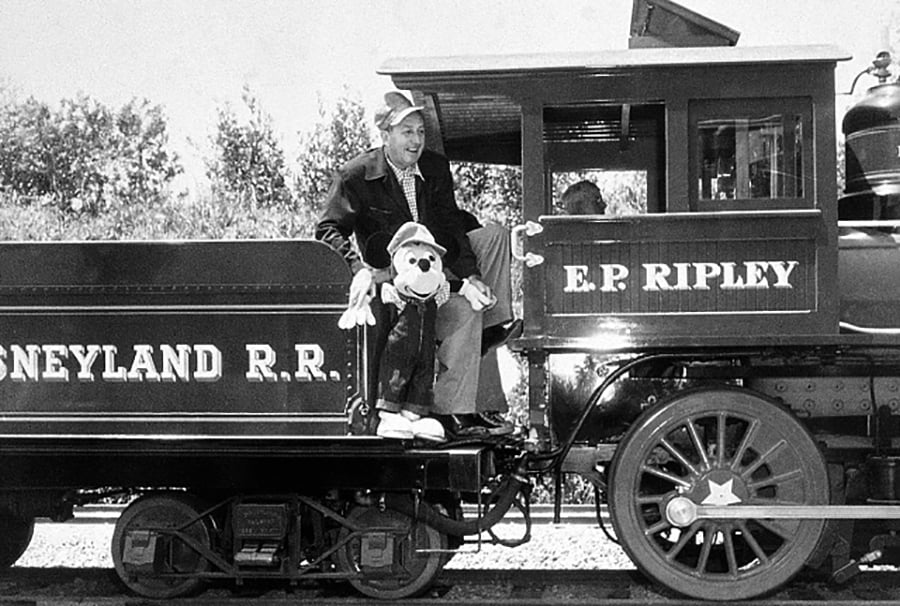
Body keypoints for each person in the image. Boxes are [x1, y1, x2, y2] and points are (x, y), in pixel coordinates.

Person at [315, 91, 521, 438]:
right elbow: (327, 229)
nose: (416, 140)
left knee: (495, 234)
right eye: (407, 132)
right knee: (464, 312)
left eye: (421, 132)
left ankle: (493, 321)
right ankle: (451, 413)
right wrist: (359, 270)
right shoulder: (355, 175)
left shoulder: (435, 168)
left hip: (436, 265)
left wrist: (470, 274)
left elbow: (453, 224)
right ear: (385, 136)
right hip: (395, 281)